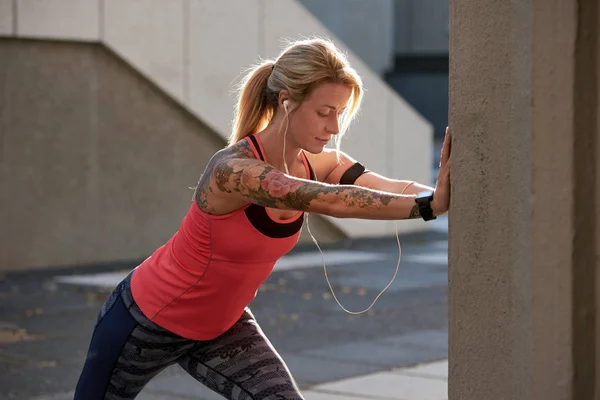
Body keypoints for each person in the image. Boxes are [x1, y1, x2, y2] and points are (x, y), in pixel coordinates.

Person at [74, 37, 451, 400]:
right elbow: (333, 201)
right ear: (286, 102)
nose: (334, 128)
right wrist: (428, 207)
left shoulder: (316, 162)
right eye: (324, 113)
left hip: (222, 326)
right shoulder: (234, 171)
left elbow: (390, 187)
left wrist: (441, 193)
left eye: (339, 113)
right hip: (145, 320)